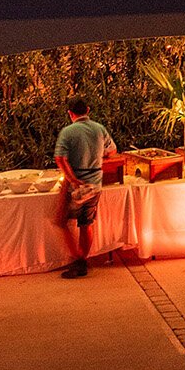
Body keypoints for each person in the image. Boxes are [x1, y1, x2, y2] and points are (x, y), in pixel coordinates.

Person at [53, 96, 116, 278]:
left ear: (70, 113)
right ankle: (82, 260)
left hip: (76, 186)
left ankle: (79, 259)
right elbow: (112, 151)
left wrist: (72, 179)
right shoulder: (99, 129)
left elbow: (60, 158)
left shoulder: (68, 132)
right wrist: (99, 158)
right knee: (86, 223)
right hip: (95, 184)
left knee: (61, 220)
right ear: (87, 110)